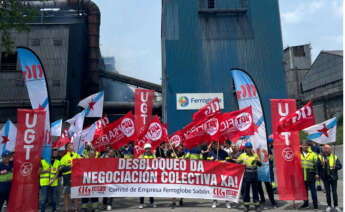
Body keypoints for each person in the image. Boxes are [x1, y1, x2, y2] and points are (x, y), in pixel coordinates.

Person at [236, 142, 261, 212]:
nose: (249, 149)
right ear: (245, 148)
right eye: (247, 148)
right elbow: (237, 163)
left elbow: (260, 164)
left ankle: (257, 205)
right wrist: (241, 163)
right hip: (246, 175)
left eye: (250, 147)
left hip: (254, 175)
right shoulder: (242, 155)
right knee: (246, 192)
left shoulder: (255, 155)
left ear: (251, 148)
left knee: (255, 191)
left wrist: (257, 161)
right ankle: (246, 206)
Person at [317, 144, 342, 212]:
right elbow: (317, 166)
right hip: (325, 178)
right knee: (328, 193)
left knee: (334, 193)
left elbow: (340, 166)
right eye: (327, 148)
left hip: (333, 177)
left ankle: (336, 206)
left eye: (330, 148)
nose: (329, 150)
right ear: (325, 149)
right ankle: (329, 206)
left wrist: (335, 167)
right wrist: (321, 164)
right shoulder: (320, 156)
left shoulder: (334, 156)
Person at [207, 142, 231, 209]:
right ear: (213, 145)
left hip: (224, 172)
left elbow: (228, 160)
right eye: (214, 144)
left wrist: (222, 161)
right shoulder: (211, 153)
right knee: (215, 188)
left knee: (225, 187)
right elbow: (208, 162)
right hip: (215, 173)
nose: (216, 146)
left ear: (220, 145)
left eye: (217, 144)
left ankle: (227, 201)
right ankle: (214, 201)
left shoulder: (224, 152)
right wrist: (214, 160)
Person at [60, 142, 81, 212]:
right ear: (67, 148)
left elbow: (83, 164)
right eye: (69, 146)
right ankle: (66, 209)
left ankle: (76, 209)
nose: (71, 147)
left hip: (76, 177)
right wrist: (70, 167)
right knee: (66, 194)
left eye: (71, 145)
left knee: (76, 194)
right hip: (67, 177)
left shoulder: (78, 156)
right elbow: (61, 168)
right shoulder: (64, 158)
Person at [257, 138, 277, 208]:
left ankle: (272, 201)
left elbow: (271, 160)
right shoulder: (261, 148)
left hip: (266, 171)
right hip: (260, 170)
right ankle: (264, 199)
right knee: (261, 187)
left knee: (268, 187)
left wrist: (269, 158)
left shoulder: (268, 150)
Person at [299, 141, 318, 210]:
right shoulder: (298, 154)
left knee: (313, 191)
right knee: (304, 192)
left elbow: (316, 164)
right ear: (301, 146)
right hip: (302, 176)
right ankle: (306, 203)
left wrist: (317, 173)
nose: (305, 146)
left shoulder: (313, 154)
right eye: (304, 145)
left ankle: (315, 205)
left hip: (311, 175)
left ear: (308, 146)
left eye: (306, 145)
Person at [138, 143, 156, 209]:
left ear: (150, 149)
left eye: (149, 149)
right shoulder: (141, 156)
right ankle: (141, 203)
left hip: (151, 176)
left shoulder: (153, 156)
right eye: (147, 149)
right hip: (143, 176)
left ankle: (152, 202)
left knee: (151, 190)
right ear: (145, 150)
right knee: (142, 190)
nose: (148, 150)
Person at [170, 144, 185, 209]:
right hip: (175, 174)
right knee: (174, 188)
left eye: (182, 149)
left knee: (182, 188)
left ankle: (181, 199)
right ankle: (174, 202)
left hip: (182, 174)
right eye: (180, 149)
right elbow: (169, 159)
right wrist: (174, 158)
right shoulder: (174, 153)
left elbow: (187, 160)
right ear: (178, 148)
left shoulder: (184, 154)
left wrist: (182, 158)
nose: (181, 150)